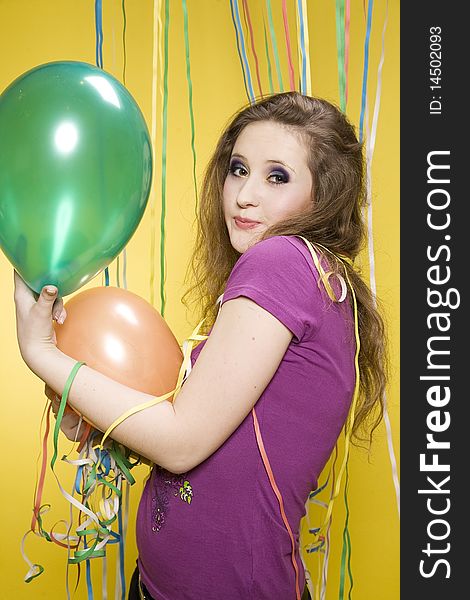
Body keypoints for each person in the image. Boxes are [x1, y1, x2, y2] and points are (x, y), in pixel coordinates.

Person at [14, 91, 387, 600]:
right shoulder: (316, 279)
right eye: (238, 169)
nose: (244, 195)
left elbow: (182, 441)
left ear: (324, 196)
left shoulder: (281, 262)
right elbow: (222, 457)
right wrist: (103, 420)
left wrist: (42, 353)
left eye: (277, 176)